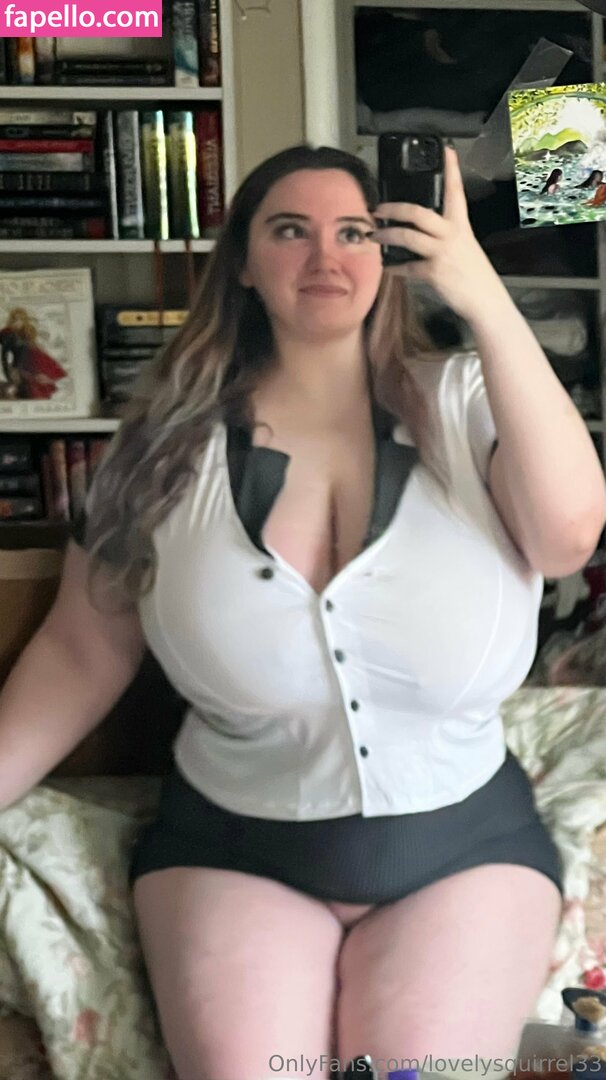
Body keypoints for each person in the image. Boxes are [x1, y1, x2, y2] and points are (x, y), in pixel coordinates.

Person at [0, 143, 605, 1080]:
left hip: (466, 852)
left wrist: (483, 297)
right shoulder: (159, 446)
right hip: (232, 852)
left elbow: (566, 537)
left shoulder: (469, 400)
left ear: (391, 253)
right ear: (243, 261)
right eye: (291, 230)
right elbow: (83, 650)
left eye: (355, 232)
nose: (326, 255)